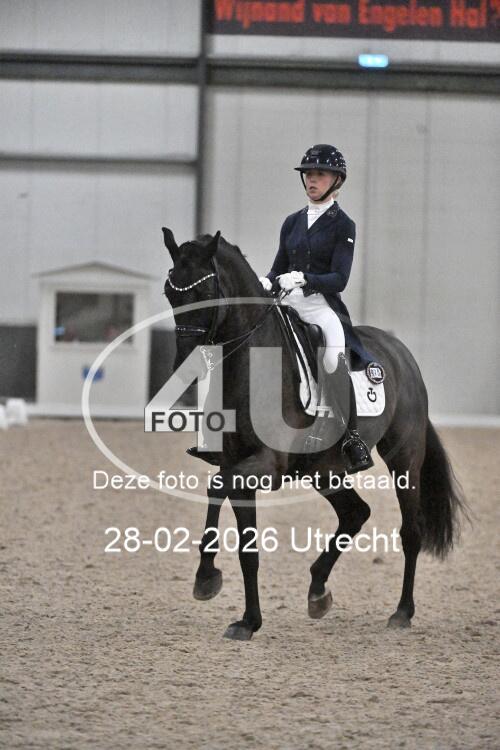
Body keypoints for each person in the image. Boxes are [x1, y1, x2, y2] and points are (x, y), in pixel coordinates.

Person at [259, 144, 374, 474]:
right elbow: (278, 266)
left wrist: (305, 278)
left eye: (320, 174)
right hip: (288, 301)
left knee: (333, 356)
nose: (311, 179)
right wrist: (266, 281)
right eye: (308, 174)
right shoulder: (291, 222)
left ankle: (351, 437)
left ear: (337, 180)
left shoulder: (343, 225)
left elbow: (339, 279)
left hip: (320, 305)